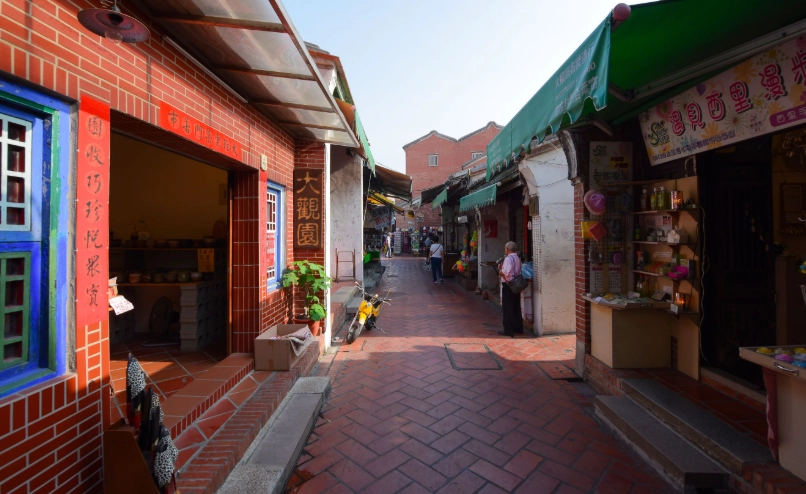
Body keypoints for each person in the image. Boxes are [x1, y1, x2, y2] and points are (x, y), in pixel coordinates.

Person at [497, 241, 524, 337]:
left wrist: (500, 271)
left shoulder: (508, 258)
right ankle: (518, 328)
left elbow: (506, 272)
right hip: (516, 285)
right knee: (516, 306)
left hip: (508, 285)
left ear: (507, 249)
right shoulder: (517, 258)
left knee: (507, 307)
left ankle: (508, 329)